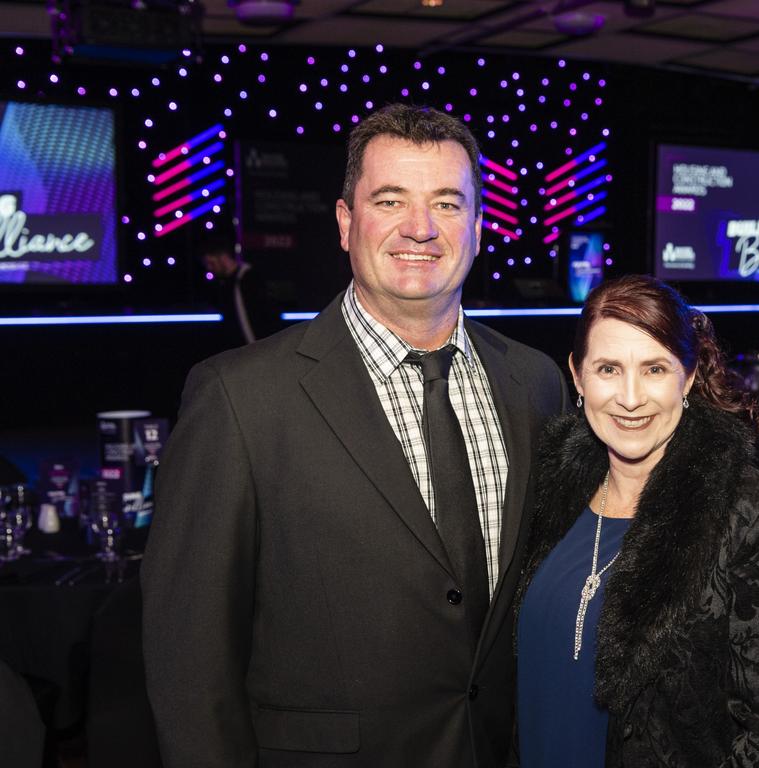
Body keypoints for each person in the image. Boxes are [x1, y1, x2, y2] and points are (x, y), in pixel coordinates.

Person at [142, 104, 569, 768]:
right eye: (390, 200)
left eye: (448, 204)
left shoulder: (537, 383)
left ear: (481, 228)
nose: (421, 228)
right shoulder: (239, 397)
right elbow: (188, 659)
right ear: (346, 223)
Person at [516, 275, 759, 767]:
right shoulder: (548, 489)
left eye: (654, 369)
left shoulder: (754, 513)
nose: (630, 398)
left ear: (687, 378)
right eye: (608, 369)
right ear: (578, 377)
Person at [200, 237, 280, 345]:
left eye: (211, 263)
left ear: (223, 257)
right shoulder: (226, 284)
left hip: (257, 351)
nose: (210, 268)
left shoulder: (247, 279)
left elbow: (260, 319)